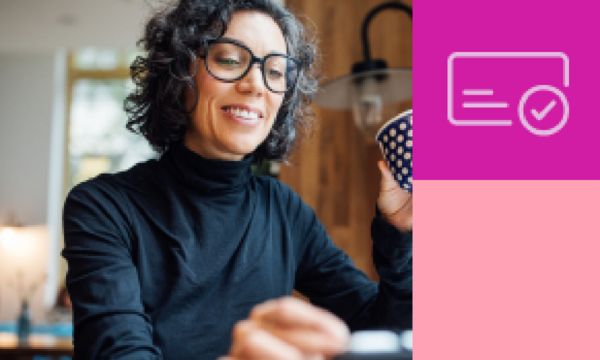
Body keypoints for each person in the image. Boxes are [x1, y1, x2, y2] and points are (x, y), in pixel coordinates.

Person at [61, 0, 413, 359]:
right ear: (180, 73)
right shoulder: (104, 206)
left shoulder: (284, 210)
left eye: (275, 72)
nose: (256, 84)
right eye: (229, 60)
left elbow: (382, 329)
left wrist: (399, 232)